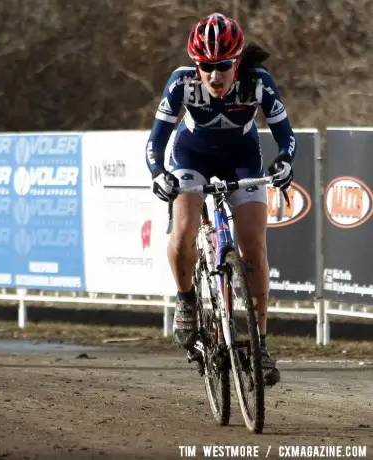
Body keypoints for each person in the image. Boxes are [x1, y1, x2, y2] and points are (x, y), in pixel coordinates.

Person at [145, 12, 296, 387]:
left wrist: (284, 163)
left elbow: (286, 136)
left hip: (242, 160)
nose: (215, 76)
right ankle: (186, 301)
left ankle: (259, 343)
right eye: (206, 67)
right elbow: (156, 141)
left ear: (237, 61)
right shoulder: (182, 83)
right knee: (184, 230)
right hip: (191, 157)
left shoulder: (257, 83)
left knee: (254, 248)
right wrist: (158, 174)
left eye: (224, 66)